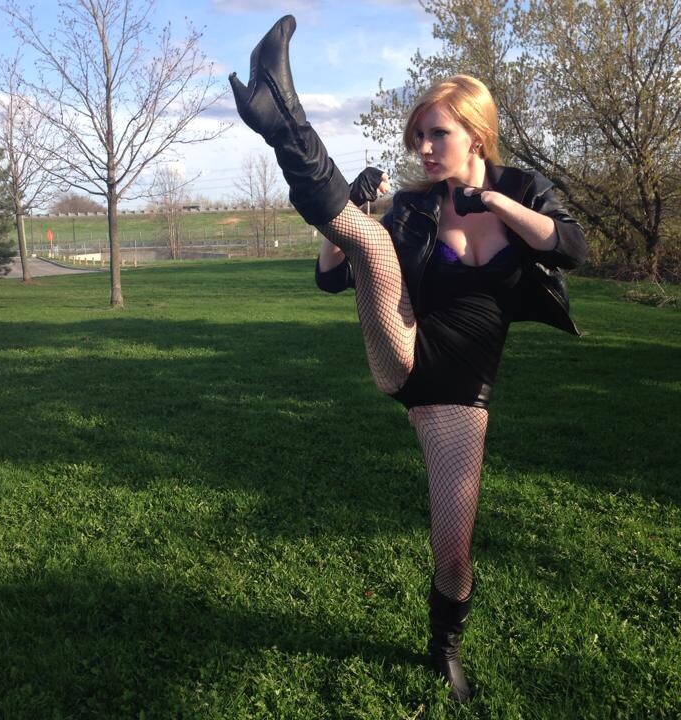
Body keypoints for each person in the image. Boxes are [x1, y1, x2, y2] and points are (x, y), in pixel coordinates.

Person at [230, 16, 586, 703]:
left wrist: (495, 203)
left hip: (464, 393)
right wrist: (354, 208)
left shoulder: (523, 189)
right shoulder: (409, 209)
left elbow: (570, 247)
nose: (422, 148)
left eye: (436, 134)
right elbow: (332, 275)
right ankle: (285, 122)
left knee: (453, 553)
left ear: (476, 134)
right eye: (416, 136)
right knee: (370, 243)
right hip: (406, 352)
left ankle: (444, 646)